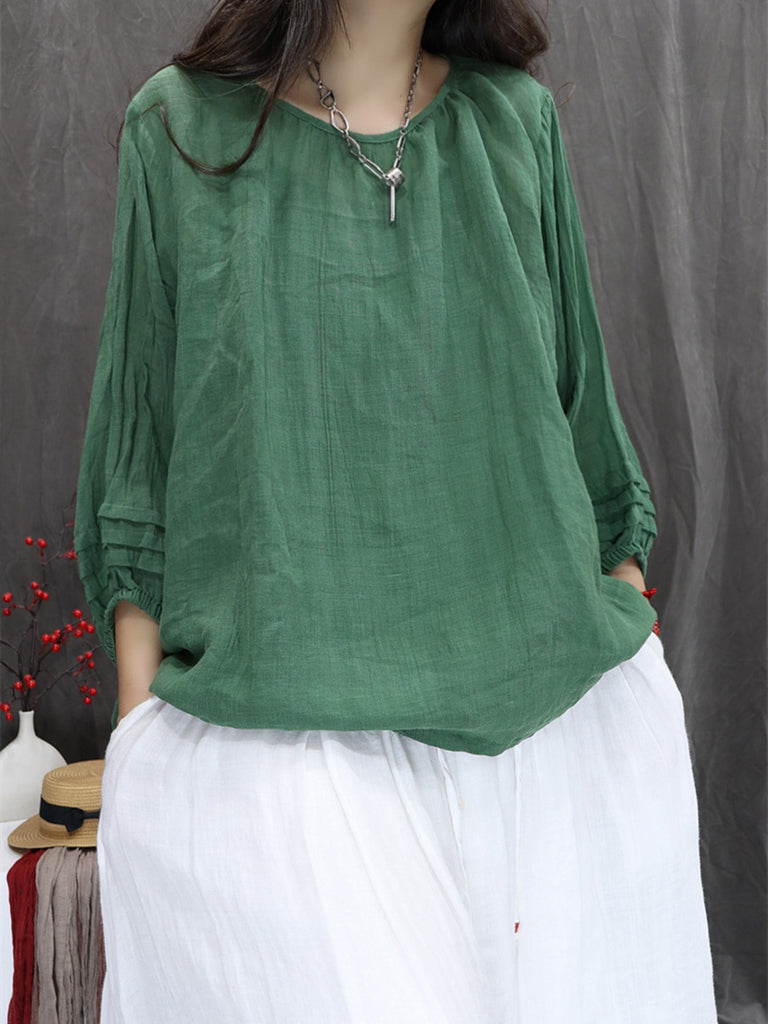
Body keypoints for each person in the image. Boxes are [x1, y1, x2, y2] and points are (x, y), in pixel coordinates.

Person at [73, 0, 719, 1020]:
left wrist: (624, 619)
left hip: (549, 748)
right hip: (277, 752)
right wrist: (144, 739)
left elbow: (586, 427)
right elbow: (138, 462)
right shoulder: (181, 129)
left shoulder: (513, 121)